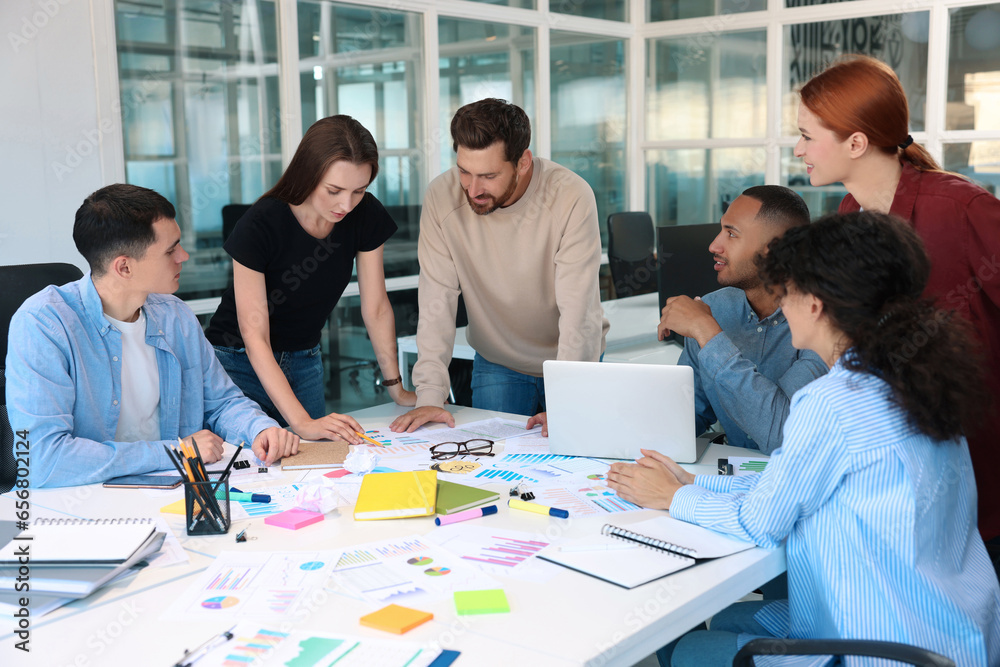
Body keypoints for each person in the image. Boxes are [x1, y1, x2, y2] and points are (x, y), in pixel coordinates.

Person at [608, 212, 1000, 666]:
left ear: (814, 303)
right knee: (723, 618)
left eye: (785, 292)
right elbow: (792, 484)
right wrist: (691, 485)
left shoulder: (832, 401)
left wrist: (674, 499)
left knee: (682, 644)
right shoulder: (915, 377)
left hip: (879, 647)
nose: (780, 305)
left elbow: (762, 524)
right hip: (957, 633)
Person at [794, 54, 1000, 541]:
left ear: (857, 142)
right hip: (898, 473)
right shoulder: (849, 213)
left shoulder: (962, 208)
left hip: (982, 474)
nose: (798, 149)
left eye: (806, 136)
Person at [6, 184, 299, 488]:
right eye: (171, 250)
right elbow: (41, 460)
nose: (183, 256)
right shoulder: (43, 325)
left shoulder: (175, 316)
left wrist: (260, 429)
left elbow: (222, 402)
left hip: (168, 494)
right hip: (77, 508)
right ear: (124, 267)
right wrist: (176, 453)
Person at [527, 186, 827, 453]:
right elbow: (684, 415)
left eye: (732, 234)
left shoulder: (825, 324)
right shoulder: (714, 307)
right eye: (721, 230)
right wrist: (585, 421)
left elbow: (782, 435)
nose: (714, 245)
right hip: (733, 478)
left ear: (773, 250)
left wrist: (708, 334)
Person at [390, 98, 608, 432]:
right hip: (498, 362)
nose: (472, 189)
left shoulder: (570, 196)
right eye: (464, 171)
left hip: (571, 361)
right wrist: (430, 395)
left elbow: (579, 312)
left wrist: (568, 396)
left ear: (523, 162)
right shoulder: (442, 197)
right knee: (491, 464)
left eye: (489, 175)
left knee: (575, 467)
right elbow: (437, 299)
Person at [205, 115, 415, 445]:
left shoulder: (365, 214)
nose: (346, 204)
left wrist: (396, 388)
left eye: (359, 191)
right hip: (237, 361)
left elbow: (375, 308)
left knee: (317, 466)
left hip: (303, 358)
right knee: (254, 469)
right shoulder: (261, 223)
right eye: (334, 190)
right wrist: (302, 421)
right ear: (308, 174)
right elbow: (253, 333)